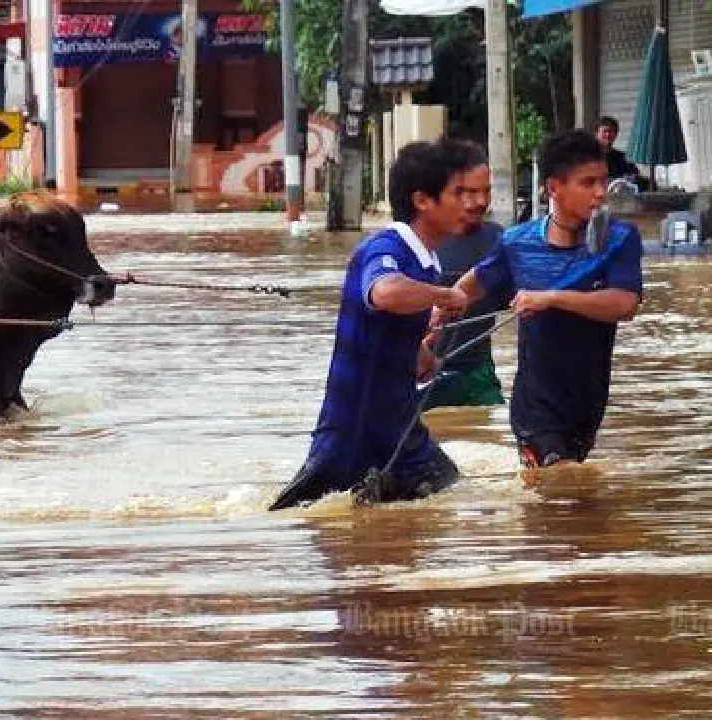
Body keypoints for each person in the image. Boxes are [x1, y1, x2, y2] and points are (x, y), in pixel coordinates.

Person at [269, 139, 483, 511]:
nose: (473, 204)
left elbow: (394, 332)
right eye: (459, 193)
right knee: (307, 515)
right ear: (422, 201)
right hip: (354, 429)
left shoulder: (427, 260)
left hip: (399, 427)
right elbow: (383, 293)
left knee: (445, 503)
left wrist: (422, 353)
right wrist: (443, 296)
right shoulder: (387, 248)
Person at [448, 129, 643, 471]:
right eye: (587, 183)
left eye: (603, 181)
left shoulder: (620, 239)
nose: (600, 194)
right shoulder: (516, 243)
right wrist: (435, 318)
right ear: (554, 188)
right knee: (562, 482)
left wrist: (553, 298)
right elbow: (470, 286)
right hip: (535, 410)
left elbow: (625, 304)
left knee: (567, 507)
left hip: (588, 405)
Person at [418, 143, 506, 409]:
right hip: (422, 370)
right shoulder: (414, 241)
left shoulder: (499, 239)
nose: (480, 202)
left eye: (486, 192)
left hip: (477, 374)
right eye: (469, 192)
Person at [594, 116, 641, 185]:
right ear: (596, 133)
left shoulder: (623, 158)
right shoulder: (588, 158)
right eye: (605, 131)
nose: (608, 135)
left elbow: (634, 176)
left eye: (611, 131)